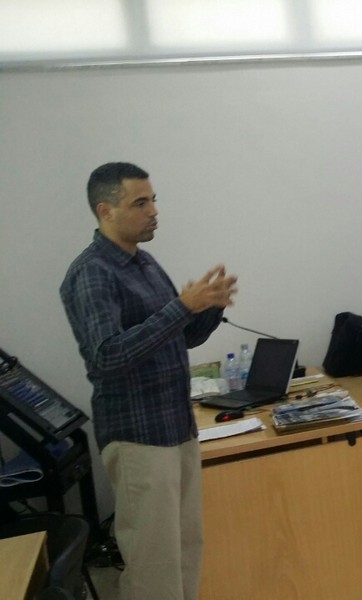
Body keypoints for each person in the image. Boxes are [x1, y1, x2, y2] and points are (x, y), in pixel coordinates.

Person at [60, 162, 238, 600]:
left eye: (153, 200)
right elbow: (106, 357)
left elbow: (180, 336)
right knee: (153, 564)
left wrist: (208, 306)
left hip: (176, 427)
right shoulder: (92, 272)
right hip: (138, 436)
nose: (154, 211)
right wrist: (182, 306)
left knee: (187, 549)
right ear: (106, 211)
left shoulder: (145, 263)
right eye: (140, 203)